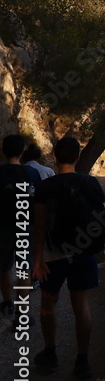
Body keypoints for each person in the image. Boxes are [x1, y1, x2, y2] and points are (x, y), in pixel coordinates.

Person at [32, 136, 105, 380]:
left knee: (48, 306)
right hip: (83, 254)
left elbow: (40, 226)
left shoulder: (46, 187)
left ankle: (50, 354)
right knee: (81, 307)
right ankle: (82, 361)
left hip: (53, 257)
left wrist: (38, 260)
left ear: (54, 157)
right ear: (77, 157)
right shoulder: (91, 183)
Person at [0, 134, 41, 318]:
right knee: (24, 269)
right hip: (25, 226)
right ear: (22, 152)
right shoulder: (31, 173)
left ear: (3, 151)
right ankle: (21, 313)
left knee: (4, 267)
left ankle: (7, 303)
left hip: (3, 227)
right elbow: (40, 202)